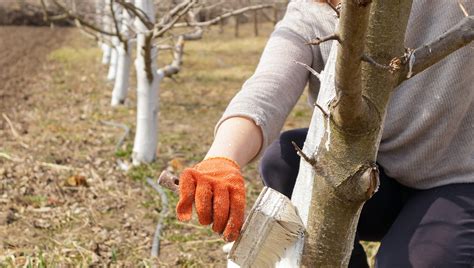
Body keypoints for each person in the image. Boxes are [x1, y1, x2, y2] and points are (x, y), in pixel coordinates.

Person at [175, 0, 474, 267]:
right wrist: (221, 159)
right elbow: (266, 89)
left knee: (411, 261)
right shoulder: (312, 11)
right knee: (283, 159)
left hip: (458, 179)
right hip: (375, 179)